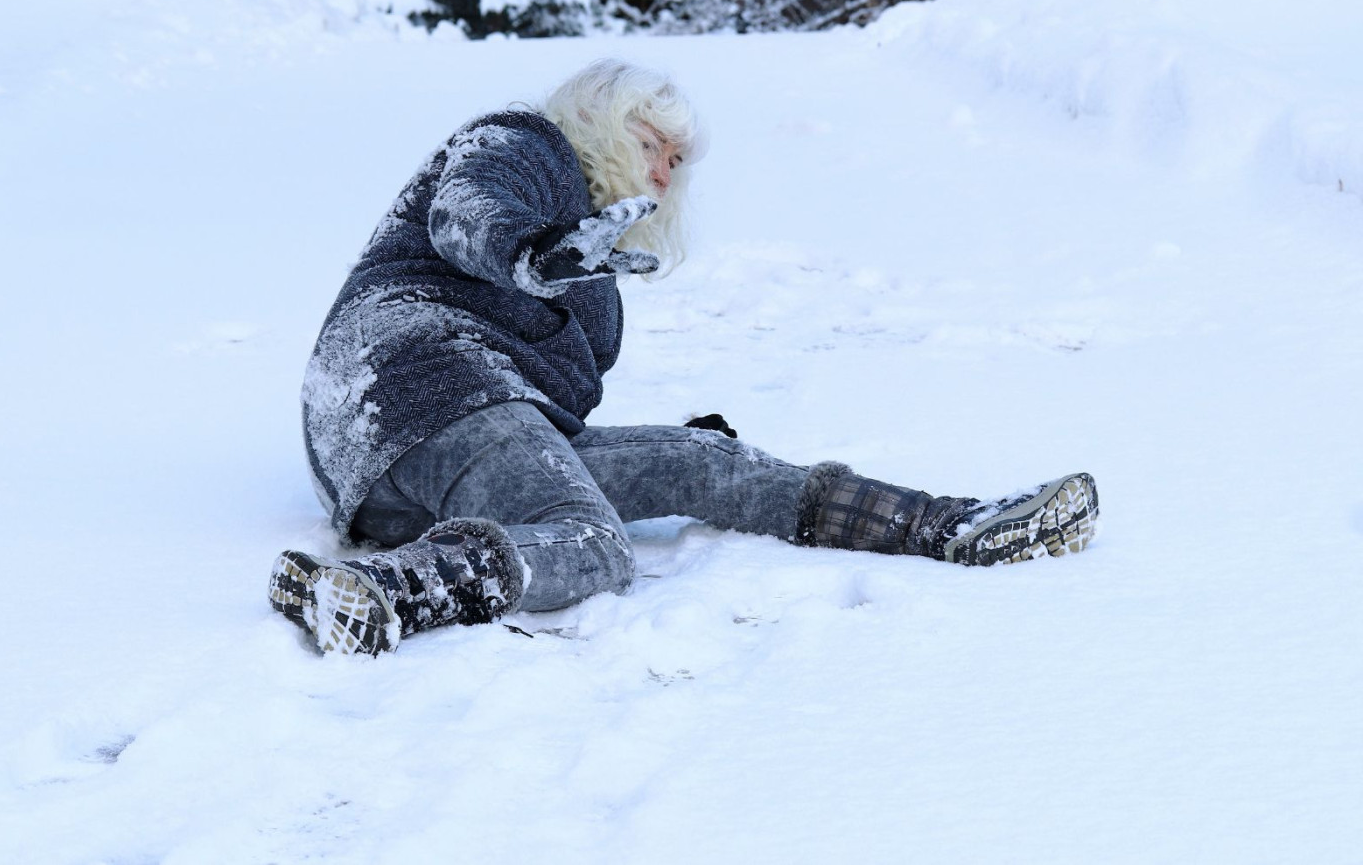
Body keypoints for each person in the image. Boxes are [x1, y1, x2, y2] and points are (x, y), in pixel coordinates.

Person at [268, 59, 1099, 656]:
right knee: (591, 544)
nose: (664, 174)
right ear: (597, 118)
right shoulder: (524, 144)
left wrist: (675, 443)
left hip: (407, 459)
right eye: (652, 144)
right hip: (415, 378)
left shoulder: (597, 280)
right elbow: (465, 212)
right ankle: (381, 592)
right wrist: (534, 254)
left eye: (677, 162)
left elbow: (550, 434)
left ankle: (956, 525)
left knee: (705, 458)